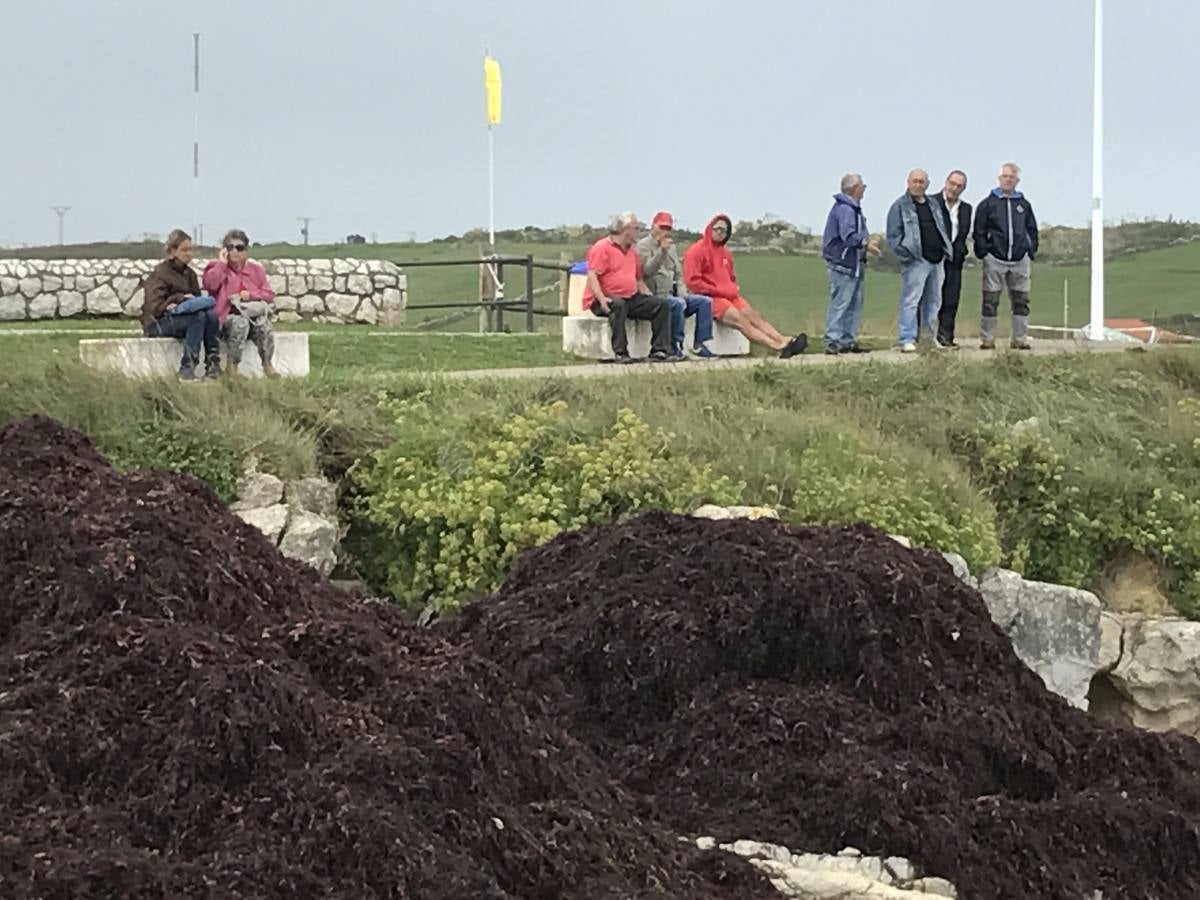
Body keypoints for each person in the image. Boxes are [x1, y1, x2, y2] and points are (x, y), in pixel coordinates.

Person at [683, 214, 808, 358]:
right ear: (710, 229)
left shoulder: (726, 254)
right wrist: (717, 290)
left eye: (724, 230)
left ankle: (783, 340)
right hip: (711, 297)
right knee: (741, 320)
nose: (719, 233)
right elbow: (693, 282)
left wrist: (732, 288)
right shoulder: (696, 251)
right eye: (717, 229)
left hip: (731, 296)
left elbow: (731, 277)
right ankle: (777, 346)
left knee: (754, 316)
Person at [583, 212, 673, 363]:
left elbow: (638, 279)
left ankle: (659, 350)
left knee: (661, 305)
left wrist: (649, 296)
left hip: (629, 296)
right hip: (604, 298)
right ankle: (621, 352)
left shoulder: (632, 252)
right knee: (618, 305)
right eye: (636, 228)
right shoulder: (602, 248)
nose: (638, 232)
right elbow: (593, 276)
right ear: (625, 230)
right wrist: (602, 299)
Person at [973, 162, 1039, 350]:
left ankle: (1019, 339)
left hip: (1019, 260)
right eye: (1005, 176)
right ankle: (987, 339)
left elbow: (1032, 229)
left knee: (1021, 301)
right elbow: (979, 230)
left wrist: (1030, 249)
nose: (1008, 180)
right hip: (995, 258)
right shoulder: (988, 204)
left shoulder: (1023, 205)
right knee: (990, 300)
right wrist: (983, 251)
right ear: (999, 178)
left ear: (1017, 180)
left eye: (1012, 177)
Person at [886, 169, 952, 352]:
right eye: (915, 181)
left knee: (934, 301)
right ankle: (907, 338)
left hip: (937, 260)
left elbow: (942, 228)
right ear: (908, 182)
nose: (918, 185)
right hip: (916, 260)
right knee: (911, 300)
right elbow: (893, 236)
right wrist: (907, 256)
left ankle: (929, 338)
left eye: (922, 182)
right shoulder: (900, 206)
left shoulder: (934, 204)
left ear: (927, 184)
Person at [141, 229, 221, 380]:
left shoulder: (189, 274)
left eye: (191, 249)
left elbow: (196, 299)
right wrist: (178, 299)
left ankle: (213, 364)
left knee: (210, 315)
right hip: (158, 323)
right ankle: (187, 367)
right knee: (197, 318)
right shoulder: (160, 273)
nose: (189, 254)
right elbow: (154, 307)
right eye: (184, 250)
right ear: (173, 251)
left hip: (181, 318)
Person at [635, 211, 716, 359]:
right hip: (656, 294)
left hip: (673, 292)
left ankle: (700, 344)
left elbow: (678, 273)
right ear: (653, 226)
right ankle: (675, 345)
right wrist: (661, 251)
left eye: (668, 229)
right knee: (677, 304)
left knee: (705, 302)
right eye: (662, 227)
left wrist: (682, 291)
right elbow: (646, 272)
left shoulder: (671, 247)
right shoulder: (643, 246)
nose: (664, 232)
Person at [202, 228, 278, 376]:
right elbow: (210, 285)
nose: (235, 251)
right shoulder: (215, 267)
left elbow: (269, 294)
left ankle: (267, 364)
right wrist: (222, 264)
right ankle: (232, 366)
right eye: (230, 247)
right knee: (240, 323)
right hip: (227, 319)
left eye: (240, 248)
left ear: (246, 251)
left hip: (251, 315)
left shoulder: (256, 270)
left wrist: (250, 295)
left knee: (264, 324)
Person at [821, 174, 880, 354]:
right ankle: (832, 340)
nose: (864, 189)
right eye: (862, 186)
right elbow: (848, 235)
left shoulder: (851, 208)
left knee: (853, 303)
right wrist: (866, 244)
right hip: (843, 263)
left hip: (854, 263)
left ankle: (847, 340)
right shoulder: (846, 209)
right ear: (855, 188)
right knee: (841, 302)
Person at [931, 170, 973, 348]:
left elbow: (963, 234)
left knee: (951, 298)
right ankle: (926, 335)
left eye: (959, 186)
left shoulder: (966, 209)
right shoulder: (931, 202)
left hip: (954, 260)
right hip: (934, 258)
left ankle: (946, 337)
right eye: (952, 184)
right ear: (946, 182)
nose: (954, 189)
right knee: (931, 298)